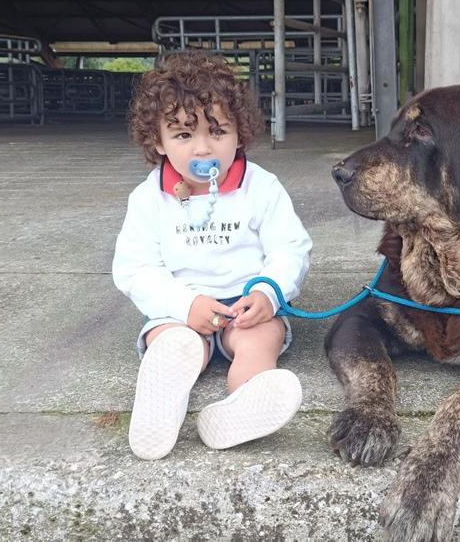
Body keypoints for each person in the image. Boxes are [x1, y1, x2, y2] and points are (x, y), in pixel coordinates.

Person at [113, 51, 312, 459]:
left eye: (217, 131)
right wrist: (184, 305)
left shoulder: (261, 187)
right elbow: (135, 267)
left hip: (246, 307)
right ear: (158, 141)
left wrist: (268, 293)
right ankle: (164, 397)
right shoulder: (148, 198)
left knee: (260, 340)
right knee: (176, 342)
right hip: (181, 308)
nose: (204, 149)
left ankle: (242, 406)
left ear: (240, 132)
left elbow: (290, 247)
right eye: (184, 135)